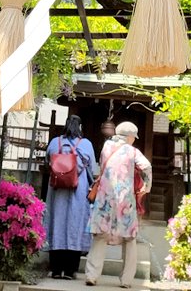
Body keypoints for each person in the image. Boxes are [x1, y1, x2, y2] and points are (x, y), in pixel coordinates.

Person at [86, 121, 152, 289]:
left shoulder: (106, 147)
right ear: (129, 136)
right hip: (124, 199)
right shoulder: (132, 151)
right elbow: (147, 166)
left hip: (104, 198)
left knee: (100, 236)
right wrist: (147, 186)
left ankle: (92, 276)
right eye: (133, 137)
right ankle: (126, 280)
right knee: (129, 239)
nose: (134, 140)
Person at [45, 115, 96, 279]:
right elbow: (92, 170)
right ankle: (70, 270)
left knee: (56, 223)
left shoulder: (55, 142)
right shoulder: (86, 144)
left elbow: (48, 162)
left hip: (57, 190)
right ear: (80, 127)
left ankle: (55, 269)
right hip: (78, 190)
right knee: (75, 225)